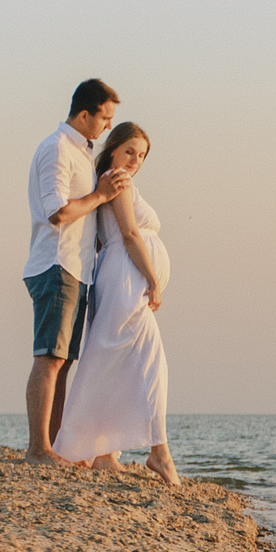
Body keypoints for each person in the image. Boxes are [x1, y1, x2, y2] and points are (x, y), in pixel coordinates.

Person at [53, 121, 182, 487]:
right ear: (113, 149)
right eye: (129, 151)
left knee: (114, 363)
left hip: (119, 277)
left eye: (141, 156)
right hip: (126, 280)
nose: (135, 161)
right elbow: (129, 235)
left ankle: (105, 454)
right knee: (151, 364)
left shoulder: (111, 182)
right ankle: (159, 453)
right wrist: (153, 280)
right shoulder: (117, 180)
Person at [23, 79, 130, 464]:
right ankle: (38, 448)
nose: (108, 126)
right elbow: (58, 212)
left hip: (78, 268)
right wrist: (100, 195)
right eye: (104, 118)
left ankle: (55, 447)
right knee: (49, 357)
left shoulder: (82, 153)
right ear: (84, 114)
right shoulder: (57, 149)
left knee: (64, 361)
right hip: (56, 263)